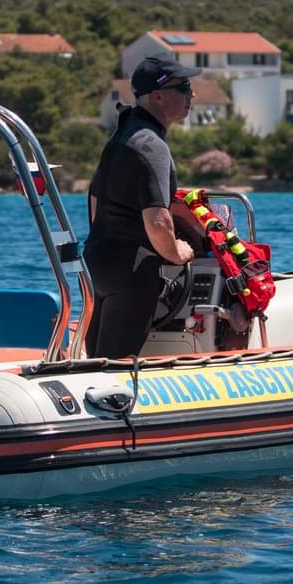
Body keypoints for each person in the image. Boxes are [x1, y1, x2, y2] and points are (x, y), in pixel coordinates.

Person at [83, 53, 201, 359]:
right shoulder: (151, 145)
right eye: (184, 87)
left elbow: (95, 200)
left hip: (99, 261)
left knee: (97, 357)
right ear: (159, 96)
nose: (192, 94)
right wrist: (177, 252)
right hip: (132, 271)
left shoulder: (123, 134)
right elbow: (158, 221)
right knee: (116, 366)